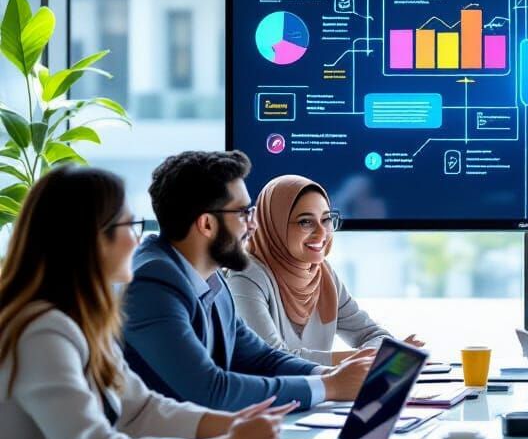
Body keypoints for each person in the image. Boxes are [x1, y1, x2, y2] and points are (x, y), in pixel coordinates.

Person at [0, 165, 292, 439]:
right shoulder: (42, 332)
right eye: (130, 227)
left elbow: (141, 409)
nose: (139, 242)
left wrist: (226, 425)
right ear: (90, 239)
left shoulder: (80, 322)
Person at [122, 151, 372, 412]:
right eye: (243, 213)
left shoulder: (210, 275)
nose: (254, 225)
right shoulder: (152, 284)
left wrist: (331, 374)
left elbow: (259, 357)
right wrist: (330, 387)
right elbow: (211, 390)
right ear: (207, 224)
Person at [226, 174, 422, 365]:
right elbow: (270, 359)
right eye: (305, 222)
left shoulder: (322, 274)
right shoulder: (245, 275)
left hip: (319, 395)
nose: (322, 233)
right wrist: (372, 358)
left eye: (326, 220)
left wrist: (379, 355)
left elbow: (374, 335)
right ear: (274, 225)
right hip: (272, 397)